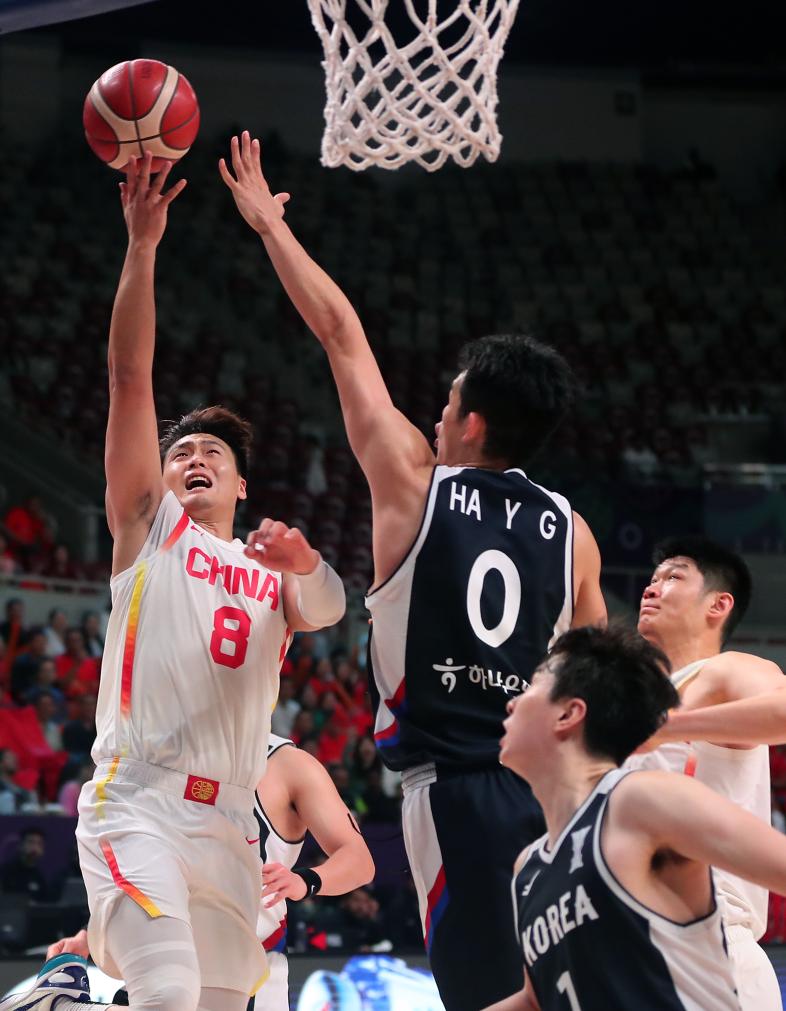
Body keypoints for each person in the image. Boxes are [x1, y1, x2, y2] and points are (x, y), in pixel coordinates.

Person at [220, 130, 606, 1011]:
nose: (434, 415)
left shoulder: (414, 484)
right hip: (555, 792)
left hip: (456, 792)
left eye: (447, 401)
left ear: (472, 421)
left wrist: (271, 227)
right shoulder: (574, 531)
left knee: (480, 996)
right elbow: (597, 677)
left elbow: (340, 333)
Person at [0, 152, 346, 1011]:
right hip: (138, 800)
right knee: (167, 993)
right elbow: (128, 377)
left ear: (241, 483)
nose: (194, 458)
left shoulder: (269, 571)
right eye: (181, 450)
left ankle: (65, 1001)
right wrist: (143, 246)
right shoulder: (148, 528)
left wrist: (307, 563)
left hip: (227, 821)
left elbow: (330, 608)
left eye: (213, 453)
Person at [490, 624, 786, 1011]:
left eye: (530, 688)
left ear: (569, 713)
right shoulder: (528, 868)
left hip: (731, 954)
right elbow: (535, 1000)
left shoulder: (639, 799)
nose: (511, 704)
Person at [42, 734, 374, 1011]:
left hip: (248, 963)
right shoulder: (163, 750)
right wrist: (92, 932)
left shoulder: (289, 765)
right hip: (165, 951)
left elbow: (359, 860)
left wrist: (306, 881)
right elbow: (143, 863)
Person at [629, 535, 784, 1010]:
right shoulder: (630, 703)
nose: (651, 588)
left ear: (718, 604)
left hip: (713, 947)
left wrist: (670, 728)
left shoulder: (724, 670)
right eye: (652, 579)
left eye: (673, 577)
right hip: (628, 947)